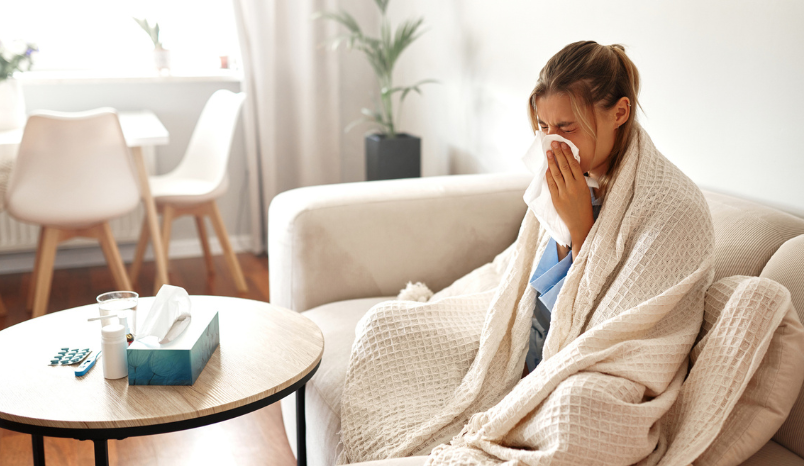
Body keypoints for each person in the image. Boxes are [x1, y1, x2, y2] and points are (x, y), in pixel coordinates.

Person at [524, 41, 641, 373]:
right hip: (532, 347)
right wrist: (560, 222)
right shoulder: (564, 181)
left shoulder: (650, 201)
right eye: (544, 127)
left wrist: (579, 228)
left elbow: (603, 320)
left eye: (567, 128)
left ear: (619, 113)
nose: (552, 142)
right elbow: (531, 295)